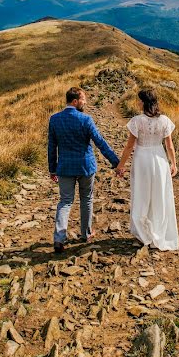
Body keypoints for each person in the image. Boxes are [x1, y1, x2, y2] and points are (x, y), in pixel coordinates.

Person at [48, 86, 120, 253]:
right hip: (86, 167)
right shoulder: (86, 120)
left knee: (65, 202)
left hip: (64, 167)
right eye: (83, 99)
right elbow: (100, 142)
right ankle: (85, 234)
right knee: (86, 199)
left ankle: (59, 239)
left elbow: (52, 146)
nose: (85, 102)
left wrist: (52, 169)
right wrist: (116, 162)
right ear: (75, 101)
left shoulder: (55, 119)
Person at [115, 89, 179, 251]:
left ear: (144, 102)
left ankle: (143, 233)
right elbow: (169, 146)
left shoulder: (137, 121)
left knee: (141, 194)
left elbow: (130, 146)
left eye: (139, 100)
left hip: (142, 158)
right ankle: (159, 232)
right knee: (159, 195)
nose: (137, 103)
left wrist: (121, 165)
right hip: (159, 158)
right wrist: (174, 163)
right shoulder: (164, 120)